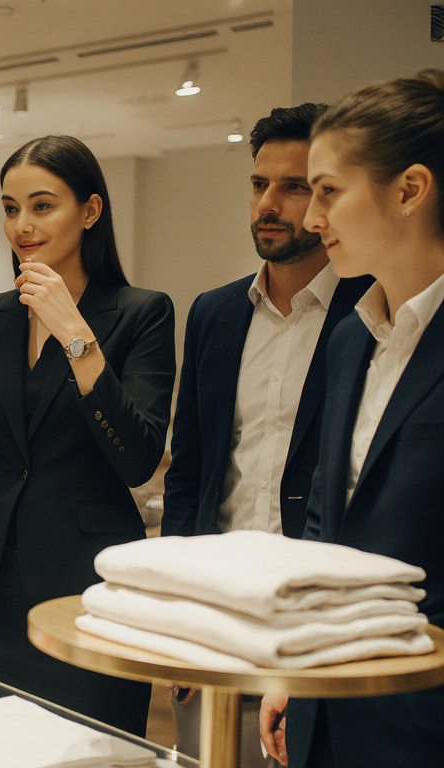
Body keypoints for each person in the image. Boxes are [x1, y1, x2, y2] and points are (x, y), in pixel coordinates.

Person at [0, 135, 175, 736]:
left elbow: (138, 459)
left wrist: (76, 336)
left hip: (86, 586)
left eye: (41, 206)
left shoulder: (141, 312)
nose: (21, 225)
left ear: (90, 211)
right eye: (10, 208)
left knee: (85, 746)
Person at [161, 104, 373, 766]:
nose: (269, 205)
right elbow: (191, 471)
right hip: (215, 608)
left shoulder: (370, 309)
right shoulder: (215, 313)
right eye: (259, 184)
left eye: (294, 186)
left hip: (314, 613)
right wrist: (175, 610)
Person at [259, 69, 444, 768]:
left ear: (410, 189)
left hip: (423, 712)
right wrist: (298, 662)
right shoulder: (350, 339)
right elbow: (324, 522)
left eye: (329, 191)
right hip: (327, 705)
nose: (312, 218)